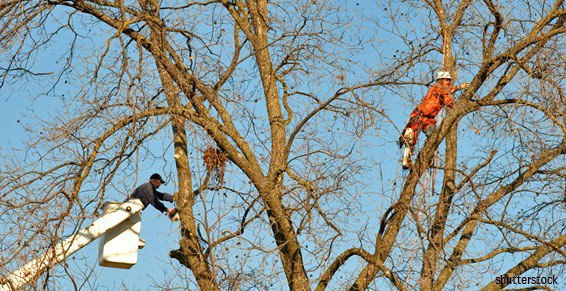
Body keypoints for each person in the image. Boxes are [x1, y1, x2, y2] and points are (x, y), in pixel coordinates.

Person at [399, 71, 469, 169]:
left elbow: (450, 103)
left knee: (433, 137)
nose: (448, 82)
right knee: (410, 137)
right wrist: (457, 88)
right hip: (419, 115)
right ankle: (407, 160)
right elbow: (444, 91)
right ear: (440, 80)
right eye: (446, 80)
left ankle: (428, 158)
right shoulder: (436, 87)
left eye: (449, 80)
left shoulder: (446, 93)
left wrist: (462, 102)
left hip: (429, 120)